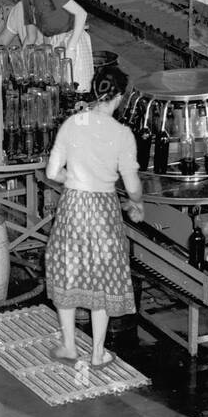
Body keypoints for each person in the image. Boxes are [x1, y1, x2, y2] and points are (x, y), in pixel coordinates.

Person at [44, 64, 144, 366]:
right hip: (104, 210)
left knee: (68, 271)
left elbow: (51, 172)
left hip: (73, 206)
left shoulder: (73, 124)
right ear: (120, 97)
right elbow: (132, 185)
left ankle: (70, 347)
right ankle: (99, 353)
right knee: (103, 275)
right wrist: (137, 203)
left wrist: (74, 180)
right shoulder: (122, 134)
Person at [0, 0, 93, 94]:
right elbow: (31, 37)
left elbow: (81, 13)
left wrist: (71, 47)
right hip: (54, 44)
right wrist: (20, 64)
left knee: (78, 92)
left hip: (73, 39)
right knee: (58, 93)